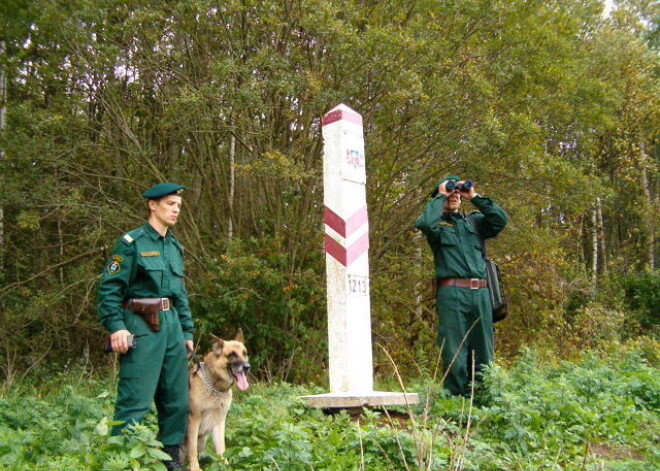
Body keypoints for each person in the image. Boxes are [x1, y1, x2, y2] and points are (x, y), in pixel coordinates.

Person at [97, 183, 194, 470]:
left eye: (178, 205)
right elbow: (109, 290)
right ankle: (123, 459)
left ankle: (170, 459)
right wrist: (116, 327)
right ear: (153, 205)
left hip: (172, 326)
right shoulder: (132, 243)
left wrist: (187, 332)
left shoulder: (174, 246)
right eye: (169, 204)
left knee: (176, 398)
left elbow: (180, 293)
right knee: (135, 398)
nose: (175, 209)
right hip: (140, 324)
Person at [415, 176, 507, 397]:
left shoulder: (474, 221)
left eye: (457, 194)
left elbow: (500, 220)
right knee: (454, 347)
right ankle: (455, 400)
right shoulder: (436, 225)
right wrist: (440, 195)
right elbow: (424, 223)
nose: (454, 196)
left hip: (482, 293)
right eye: (450, 194)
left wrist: (473, 196)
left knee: (484, 348)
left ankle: (483, 396)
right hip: (452, 292)